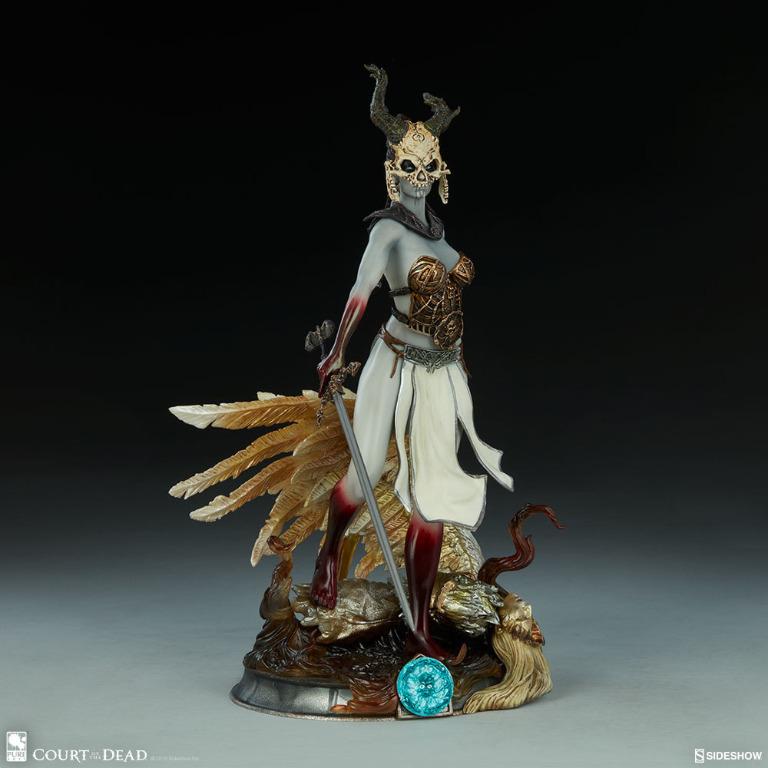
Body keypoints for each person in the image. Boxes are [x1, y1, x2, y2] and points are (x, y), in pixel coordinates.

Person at [310, 65, 513, 661]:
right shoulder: (387, 234)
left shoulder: (440, 234)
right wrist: (335, 353)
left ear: (441, 171)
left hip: (441, 371)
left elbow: (452, 300)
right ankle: (329, 552)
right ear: (391, 173)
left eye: (428, 168)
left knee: (434, 494)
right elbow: (360, 292)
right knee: (367, 468)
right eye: (409, 168)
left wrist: (459, 364)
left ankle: (419, 623)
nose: (419, 179)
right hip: (394, 363)